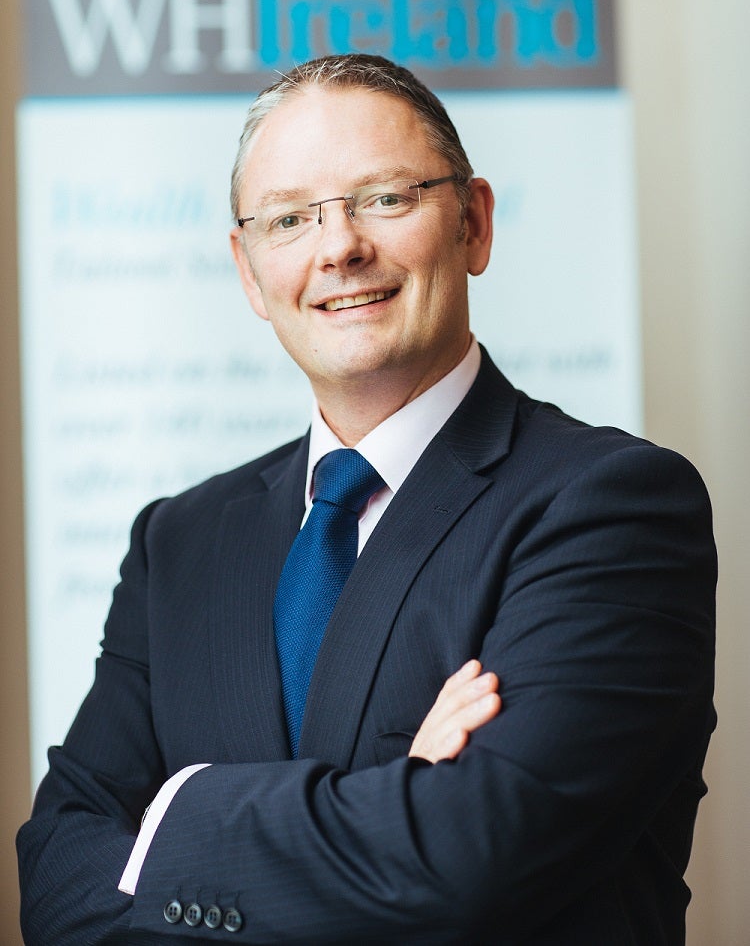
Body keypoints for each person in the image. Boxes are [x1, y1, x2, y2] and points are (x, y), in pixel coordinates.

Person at [17, 54, 716, 945]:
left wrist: (175, 812)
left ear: (474, 224)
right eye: (289, 218)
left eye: (385, 197)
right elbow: (56, 881)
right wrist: (395, 795)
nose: (339, 247)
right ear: (249, 272)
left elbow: (469, 859)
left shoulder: (612, 506)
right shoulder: (179, 543)